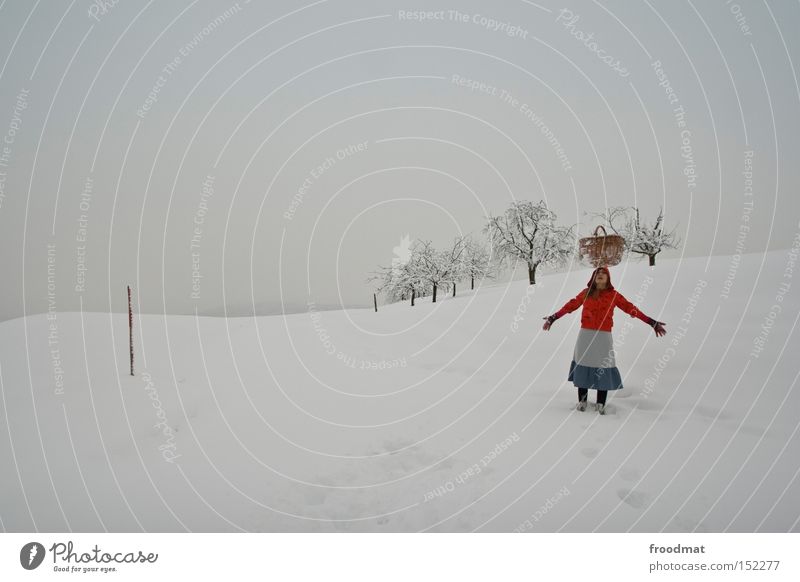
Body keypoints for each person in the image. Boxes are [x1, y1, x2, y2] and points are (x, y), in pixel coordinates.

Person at [542, 266, 666, 414]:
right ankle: (582, 402)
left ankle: (601, 403)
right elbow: (571, 305)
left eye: (604, 273)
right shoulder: (586, 293)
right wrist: (553, 318)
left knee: (603, 367)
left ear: (608, 278)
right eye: (597, 273)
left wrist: (651, 322)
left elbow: (630, 308)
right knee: (583, 365)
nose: (600, 275)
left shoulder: (613, 295)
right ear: (593, 278)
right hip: (586, 335)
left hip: (603, 336)